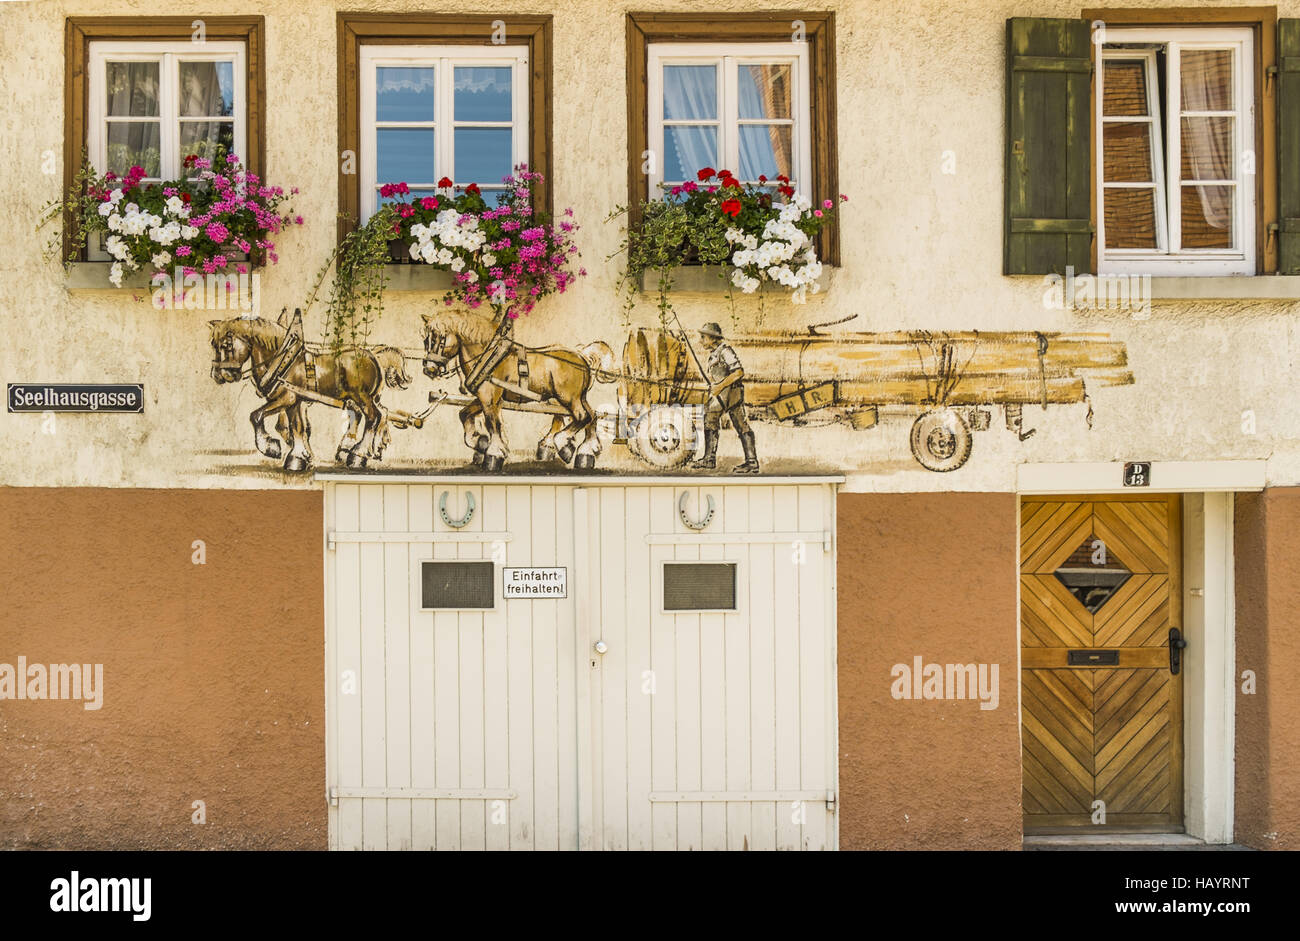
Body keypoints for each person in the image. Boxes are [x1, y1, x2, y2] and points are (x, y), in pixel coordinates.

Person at [690, 322, 759, 474]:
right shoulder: (714, 354)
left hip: (731, 393)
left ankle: (752, 462)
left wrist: (719, 386)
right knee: (710, 419)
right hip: (721, 394)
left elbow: (738, 372)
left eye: (703, 337)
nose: (700, 340)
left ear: (713, 338)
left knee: (740, 424)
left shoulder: (725, 351)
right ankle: (709, 459)